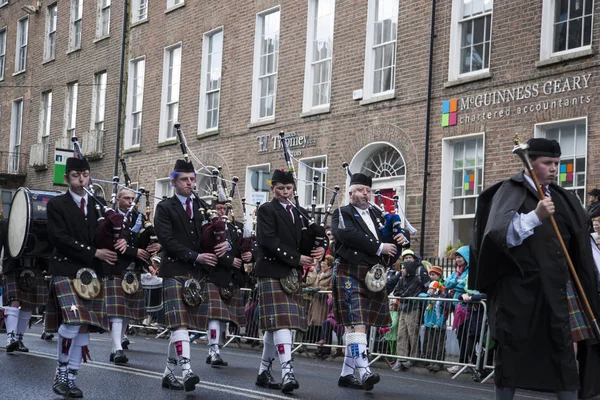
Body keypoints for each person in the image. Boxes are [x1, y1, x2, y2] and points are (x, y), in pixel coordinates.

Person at [470, 138, 600, 400]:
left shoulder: (564, 198)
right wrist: (535, 216)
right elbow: (499, 236)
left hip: (559, 288)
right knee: (512, 353)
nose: (554, 169)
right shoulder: (510, 191)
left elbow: (583, 243)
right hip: (519, 291)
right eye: (547, 163)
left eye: (557, 163)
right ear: (531, 164)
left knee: (565, 351)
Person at [45, 157, 115, 398]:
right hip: (66, 269)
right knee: (73, 321)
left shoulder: (98, 205)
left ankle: (72, 377)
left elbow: (106, 237)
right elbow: (59, 238)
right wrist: (94, 252)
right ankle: (61, 372)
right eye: (76, 175)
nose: (81, 179)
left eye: (85, 175)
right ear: (67, 178)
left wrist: (120, 237)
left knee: (84, 324)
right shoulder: (57, 205)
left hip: (92, 272)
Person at [331, 172, 407, 391]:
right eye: (361, 190)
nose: (366, 194)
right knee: (358, 321)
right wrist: (378, 247)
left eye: (368, 191)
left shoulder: (377, 216)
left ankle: (346, 374)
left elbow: (389, 247)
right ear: (351, 192)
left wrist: (399, 241)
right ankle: (364, 370)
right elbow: (345, 235)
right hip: (350, 270)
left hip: (372, 273)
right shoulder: (341, 212)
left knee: (358, 324)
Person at [154, 159, 224, 392]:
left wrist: (223, 246)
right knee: (180, 324)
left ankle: (169, 373)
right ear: (173, 181)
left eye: (193, 179)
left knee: (181, 325)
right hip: (175, 269)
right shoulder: (165, 208)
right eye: (185, 180)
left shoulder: (202, 207)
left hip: (196, 273)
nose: (190, 184)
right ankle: (186, 371)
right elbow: (167, 241)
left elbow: (214, 237)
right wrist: (195, 256)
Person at [253, 169, 326, 394]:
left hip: (292, 274)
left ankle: (264, 371)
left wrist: (321, 246)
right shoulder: (266, 209)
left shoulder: (299, 212)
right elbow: (268, 240)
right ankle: (287, 372)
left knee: (275, 327)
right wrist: (297, 258)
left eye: (289, 188)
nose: (285, 192)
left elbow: (307, 242)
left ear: (294, 189)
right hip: (272, 270)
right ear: (273, 189)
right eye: (280, 188)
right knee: (282, 323)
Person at [197, 193, 252, 367]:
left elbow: (245, 249)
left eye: (224, 208)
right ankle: (214, 351)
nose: (221, 211)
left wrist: (246, 256)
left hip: (231, 277)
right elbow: (206, 247)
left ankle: (215, 348)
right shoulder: (207, 227)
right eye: (218, 208)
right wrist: (230, 260)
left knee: (222, 318)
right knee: (215, 316)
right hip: (214, 275)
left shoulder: (236, 227)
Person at [102, 187, 155, 364]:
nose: (130, 201)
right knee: (117, 312)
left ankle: (115, 347)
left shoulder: (138, 218)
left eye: (132, 198)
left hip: (133, 270)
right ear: (118, 200)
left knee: (125, 312)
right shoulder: (110, 218)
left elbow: (147, 240)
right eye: (126, 198)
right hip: (116, 268)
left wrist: (157, 245)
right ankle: (117, 348)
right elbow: (113, 243)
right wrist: (135, 251)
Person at [1, 218, 47, 353]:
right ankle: (11, 338)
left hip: (34, 265)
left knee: (29, 304)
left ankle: (19, 338)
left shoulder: (38, 222)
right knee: (14, 300)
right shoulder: (5, 223)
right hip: (13, 266)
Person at [392, 260, 429, 370]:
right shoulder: (402, 279)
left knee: (412, 334)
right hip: (403, 308)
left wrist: (403, 294)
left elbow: (408, 292)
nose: (402, 270)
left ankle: (413, 358)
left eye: (404, 268)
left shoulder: (415, 279)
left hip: (413, 308)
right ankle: (401, 358)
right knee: (401, 334)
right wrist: (403, 294)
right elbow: (396, 292)